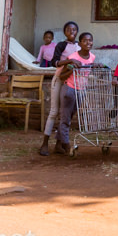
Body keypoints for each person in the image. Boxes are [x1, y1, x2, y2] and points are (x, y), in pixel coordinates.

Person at [38, 21, 79, 156]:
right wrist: (69, 60)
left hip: (71, 80)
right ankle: (44, 143)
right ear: (64, 32)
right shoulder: (61, 45)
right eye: (68, 30)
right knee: (54, 111)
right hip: (59, 80)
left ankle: (58, 144)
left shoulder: (79, 46)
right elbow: (54, 62)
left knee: (65, 113)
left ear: (77, 31)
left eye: (74, 30)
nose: (71, 32)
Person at [54, 31, 95, 156]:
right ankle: (67, 146)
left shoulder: (92, 57)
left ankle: (58, 144)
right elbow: (62, 76)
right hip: (70, 89)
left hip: (82, 90)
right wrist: (72, 68)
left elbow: (89, 68)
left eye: (90, 40)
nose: (88, 43)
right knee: (65, 118)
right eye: (85, 41)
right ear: (80, 43)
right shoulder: (73, 57)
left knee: (69, 117)